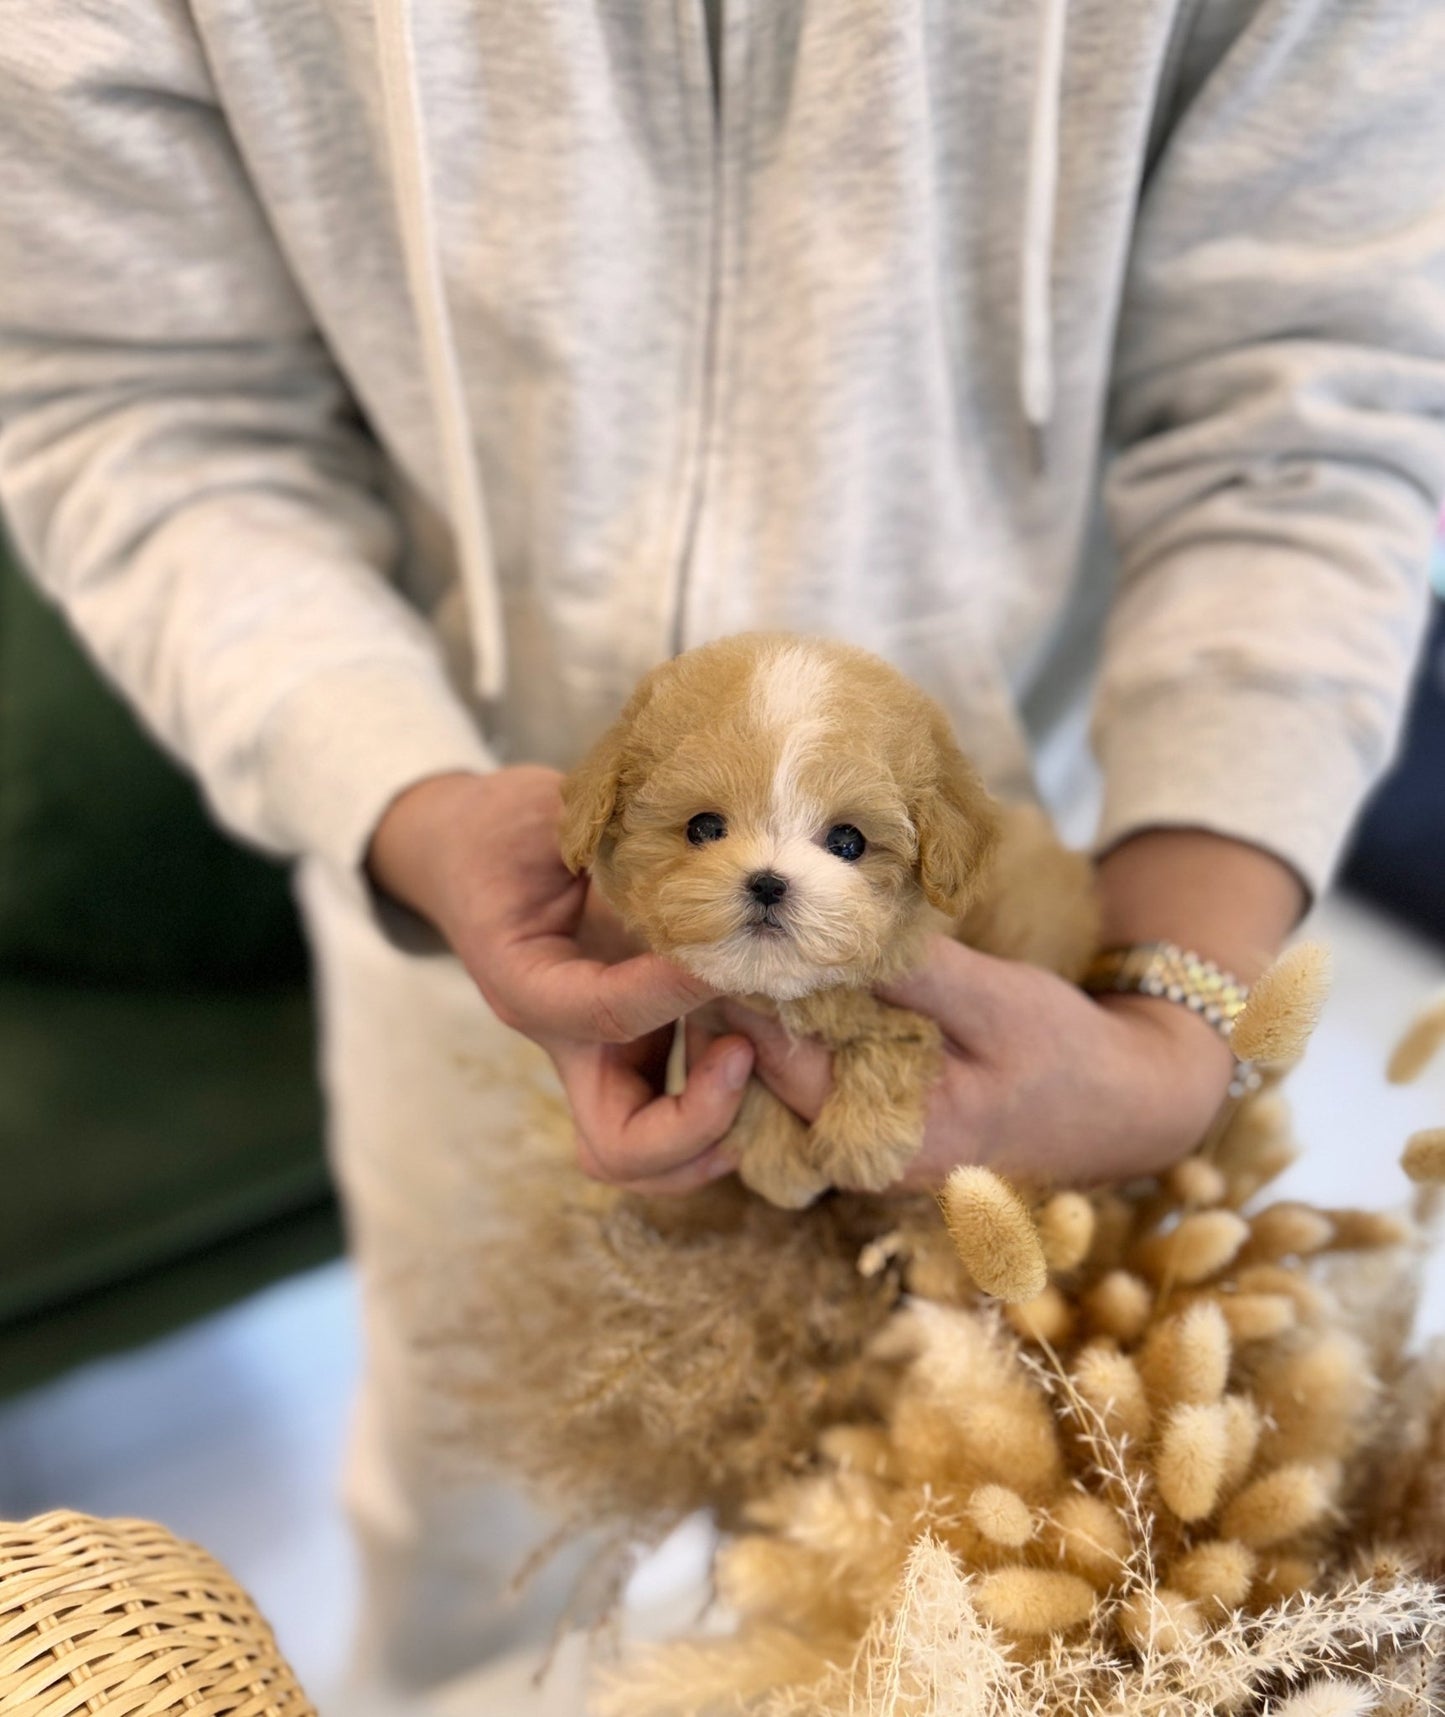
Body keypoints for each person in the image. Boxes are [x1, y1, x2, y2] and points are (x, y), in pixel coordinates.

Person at [2, 0, 1443, 1697]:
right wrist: (397, 793)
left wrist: (1165, 1016)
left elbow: (1311, 418)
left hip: (1018, 974)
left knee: (928, 1568)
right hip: (467, 937)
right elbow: (135, 406)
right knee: (473, 1522)